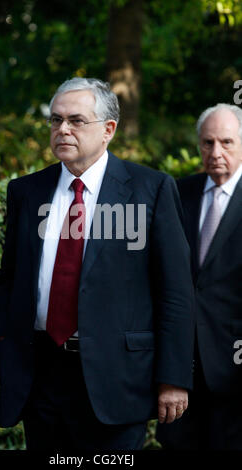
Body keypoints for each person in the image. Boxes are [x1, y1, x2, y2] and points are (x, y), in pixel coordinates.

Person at [0, 77, 194, 451]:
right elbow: (10, 277)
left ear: (108, 130)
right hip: (40, 375)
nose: (62, 129)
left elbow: (176, 292)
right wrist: (1, 340)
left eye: (76, 120)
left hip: (117, 378)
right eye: (55, 120)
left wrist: (174, 377)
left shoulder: (152, 189)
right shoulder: (26, 191)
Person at [156, 103, 242, 450]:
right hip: (182, 373)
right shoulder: (176, 193)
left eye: (226, 142)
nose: (215, 152)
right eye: (207, 143)